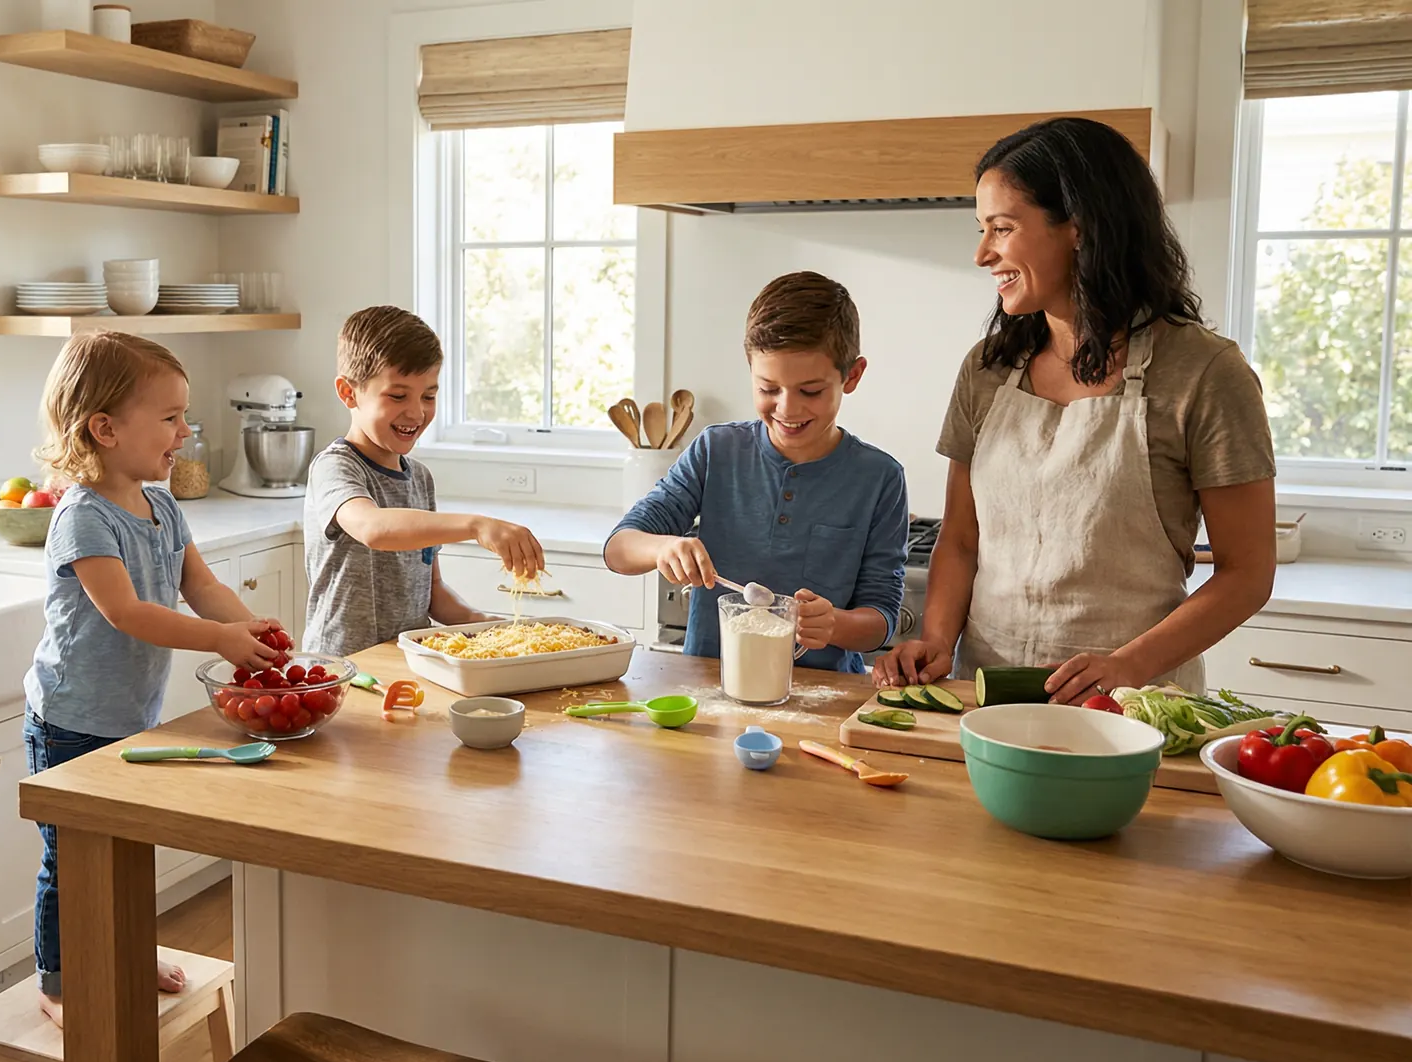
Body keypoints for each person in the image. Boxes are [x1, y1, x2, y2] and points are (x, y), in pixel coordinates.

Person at [874, 117, 1276, 701]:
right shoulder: (986, 369)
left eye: (1001, 228)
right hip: (987, 698)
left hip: (1133, 709)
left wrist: (1127, 666)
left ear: (1080, 228)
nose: (982, 252)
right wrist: (937, 637)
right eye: (982, 229)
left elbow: (1247, 574)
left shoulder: (1205, 373)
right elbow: (960, 538)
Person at [22, 331, 284, 1026]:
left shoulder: (162, 506)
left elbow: (201, 586)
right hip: (70, 721)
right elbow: (128, 613)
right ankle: (58, 982)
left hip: (127, 716)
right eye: (170, 418)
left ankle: (129, 952)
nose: (186, 431)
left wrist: (253, 631)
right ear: (104, 429)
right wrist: (222, 640)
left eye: (183, 415)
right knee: (71, 861)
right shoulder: (82, 516)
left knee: (127, 853)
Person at [605, 271, 908, 671]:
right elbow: (618, 549)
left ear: (851, 376)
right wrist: (662, 547)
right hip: (710, 687)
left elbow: (882, 618)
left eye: (811, 391)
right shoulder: (716, 451)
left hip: (824, 697)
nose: (788, 408)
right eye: (768, 389)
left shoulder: (879, 478)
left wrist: (834, 624)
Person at [302, 305, 545, 657]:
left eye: (428, 396)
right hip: (342, 667)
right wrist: (476, 525)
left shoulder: (420, 479)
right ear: (348, 392)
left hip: (408, 663)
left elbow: (431, 592)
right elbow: (374, 529)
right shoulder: (336, 468)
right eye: (398, 396)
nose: (416, 412)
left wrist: (484, 626)